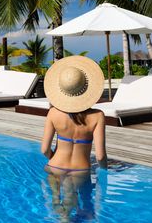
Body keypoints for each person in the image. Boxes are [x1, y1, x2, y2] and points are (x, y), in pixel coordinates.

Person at [41, 56, 107, 222]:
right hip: (79, 171)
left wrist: (54, 158)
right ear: (87, 89)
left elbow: (44, 149)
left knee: (58, 207)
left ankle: (59, 207)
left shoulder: (53, 113)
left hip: (53, 167)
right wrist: (104, 173)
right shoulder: (97, 116)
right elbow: (100, 156)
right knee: (81, 209)